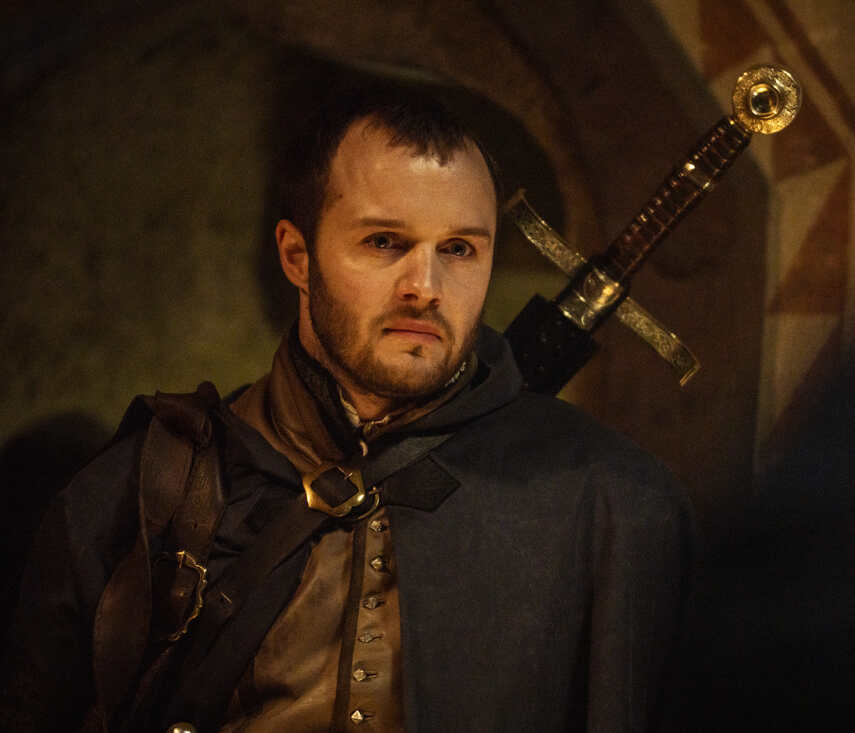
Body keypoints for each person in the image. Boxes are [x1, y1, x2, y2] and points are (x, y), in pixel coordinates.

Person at [1, 86, 695, 732]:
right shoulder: (137, 493)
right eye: (384, 242)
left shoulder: (613, 505)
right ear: (297, 256)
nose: (425, 285)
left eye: (458, 249)